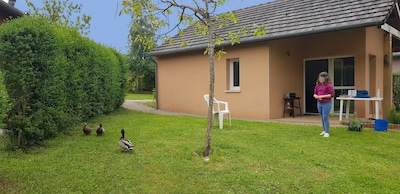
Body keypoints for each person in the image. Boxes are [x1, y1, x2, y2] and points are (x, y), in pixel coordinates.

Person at [313, 71, 335, 137]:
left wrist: (322, 96)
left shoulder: (329, 86)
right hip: (319, 103)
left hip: (327, 103)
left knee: (325, 117)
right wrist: (316, 96)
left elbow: (332, 94)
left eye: (322, 78)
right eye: (320, 78)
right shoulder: (317, 86)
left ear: (326, 78)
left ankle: (327, 132)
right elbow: (314, 93)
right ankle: (324, 130)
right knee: (322, 117)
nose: (321, 79)